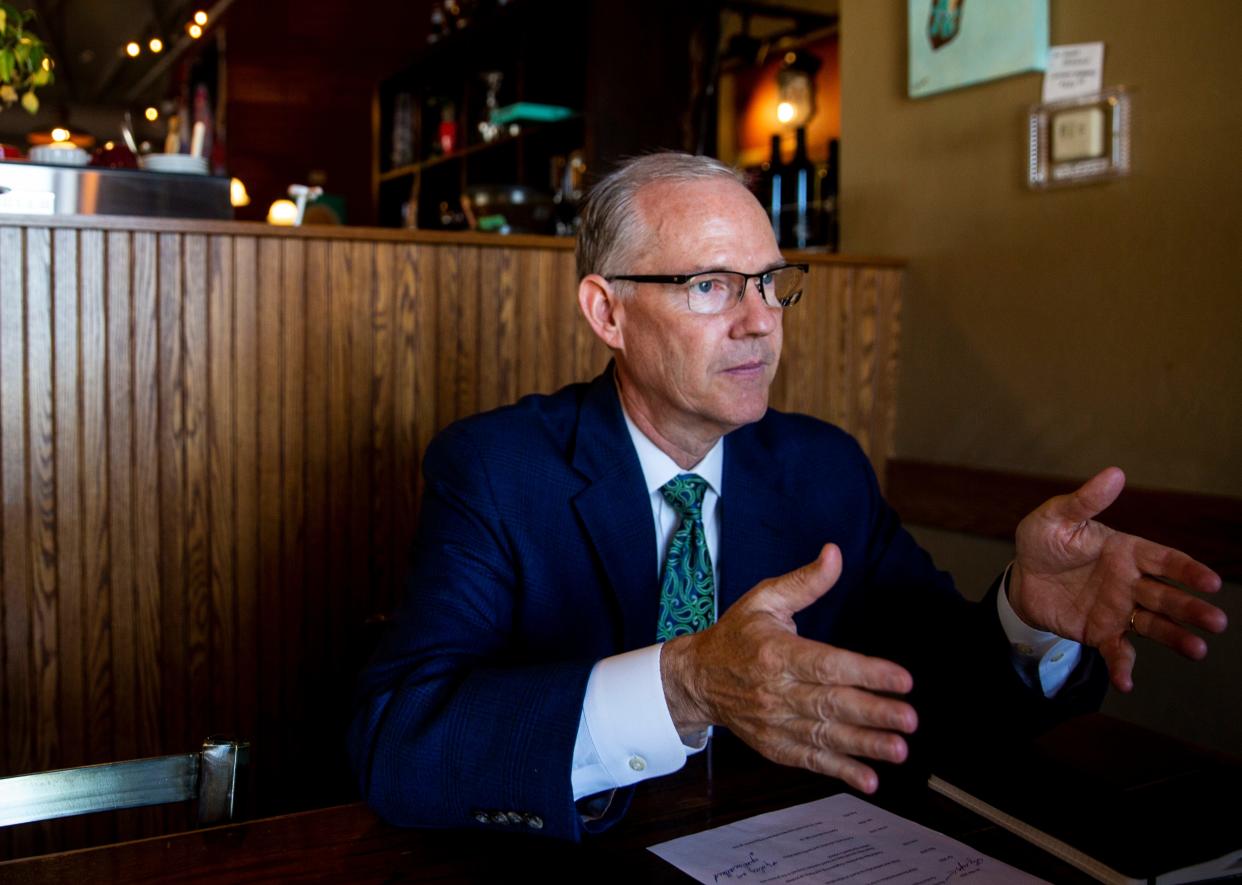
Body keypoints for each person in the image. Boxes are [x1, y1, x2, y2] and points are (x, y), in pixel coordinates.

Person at [348, 152, 1226, 841]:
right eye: (709, 285)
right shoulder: (497, 469)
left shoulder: (822, 467)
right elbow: (402, 741)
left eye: (769, 281)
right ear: (607, 313)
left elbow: (928, 692)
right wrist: (685, 683)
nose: (760, 319)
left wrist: (1025, 617)